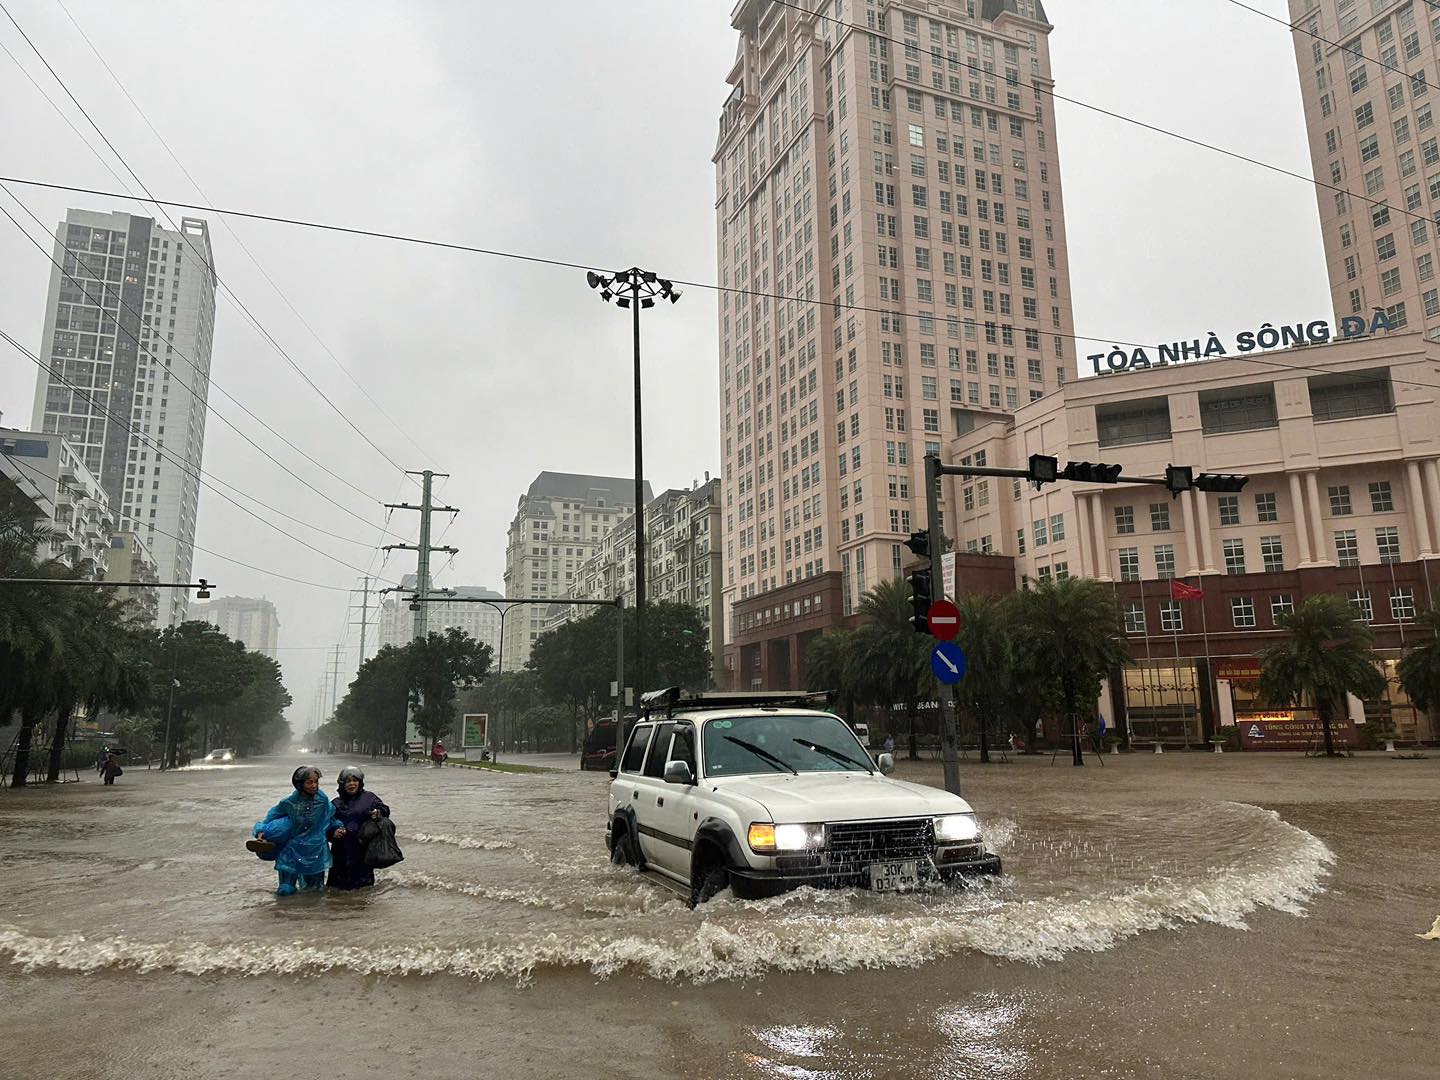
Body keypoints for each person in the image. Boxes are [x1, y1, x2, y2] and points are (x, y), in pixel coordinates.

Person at [250, 765, 345, 896]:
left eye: (316, 782)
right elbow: (269, 818)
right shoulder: (288, 803)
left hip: (315, 851)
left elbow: (330, 819)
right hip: (291, 851)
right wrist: (261, 832)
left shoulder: (322, 802)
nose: (314, 786)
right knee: (285, 890)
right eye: (310, 782)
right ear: (300, 784)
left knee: (315, 892)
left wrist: (337, 828)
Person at [328, 766, 391, 890]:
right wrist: (333, 833)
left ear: (360, 782)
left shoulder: (370, 798)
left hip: (363, 851)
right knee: (336, 893)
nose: (352, 784)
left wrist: (378, 812)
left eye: (355, 781)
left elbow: (385, 810)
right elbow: (326, 825)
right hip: (340, 853)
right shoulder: (335, 804)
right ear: (342, 784)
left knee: (364, 892)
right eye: (348, 781)